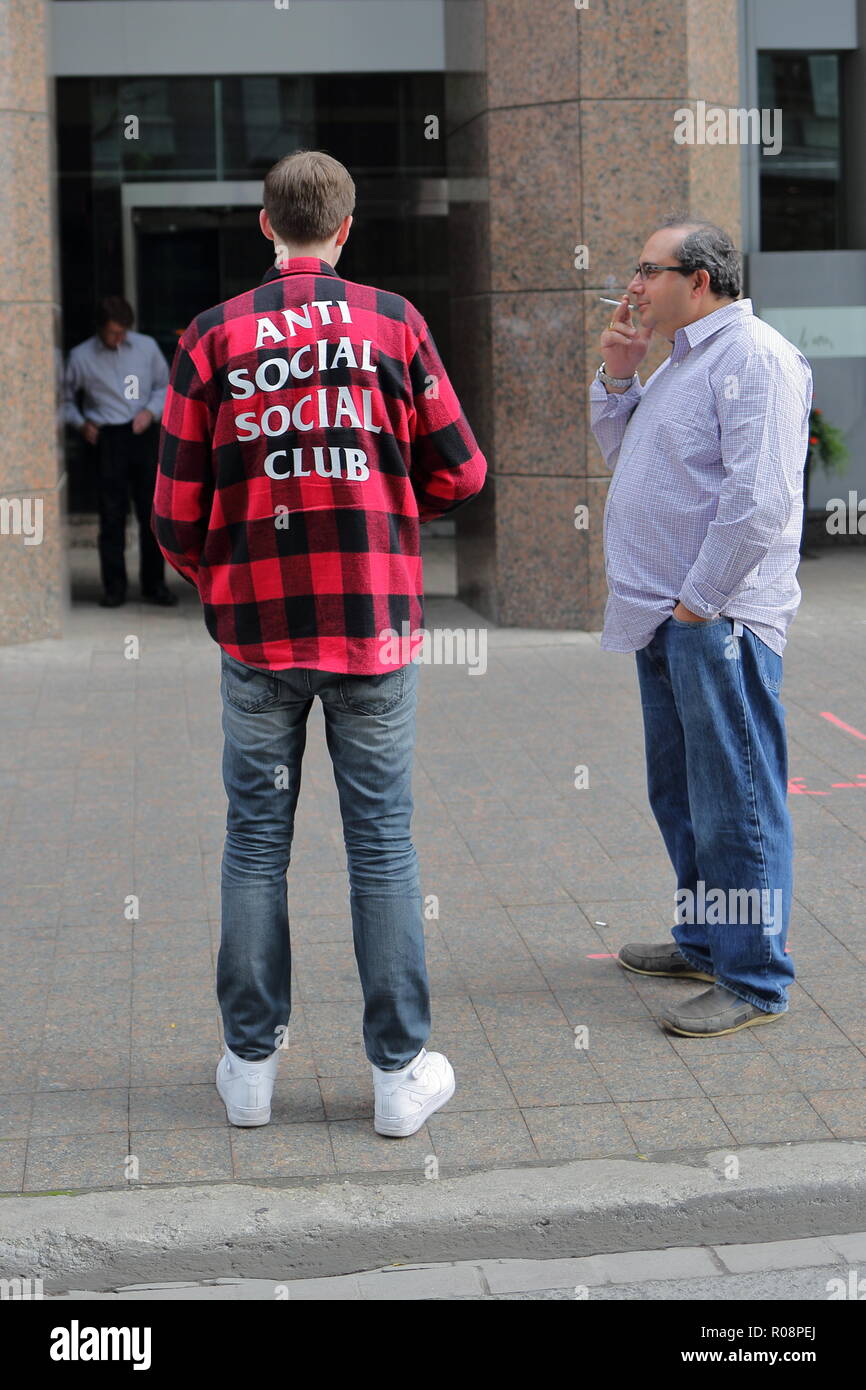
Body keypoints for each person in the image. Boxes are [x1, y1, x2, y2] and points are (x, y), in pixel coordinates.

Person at [152, 150, 487, 1135]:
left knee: (254, 840)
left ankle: (249, 1070)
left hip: (257, 630)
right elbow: (461, 472)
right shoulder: (393, 322)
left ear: (266, 226)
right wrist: (383, 505)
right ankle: (395, 1078)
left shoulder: (212, 337)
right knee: (381, 842)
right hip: (372, 627)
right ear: (345, 230)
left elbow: (175, 512)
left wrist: (223, 576)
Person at [591, 215, 812, 1038]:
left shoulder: (755, 359)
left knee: (736, 801)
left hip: (715, 621)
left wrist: (697, 607)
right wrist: (619, 375)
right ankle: (707, 942)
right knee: (683, 795)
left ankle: (754, 978)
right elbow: (628, 458)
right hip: (665, 619)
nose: (633, 285)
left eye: (649, 269)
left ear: (703, 280)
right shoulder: (686, 361)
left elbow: (759, 505)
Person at [64, 296, 174, 607]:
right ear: (100, 329)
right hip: (105, 438)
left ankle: (155, 586)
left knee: (150, 515)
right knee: (111, 518)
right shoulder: (81, 356)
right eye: (113, 332)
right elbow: (66, 399)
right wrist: (80, 423)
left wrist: (150, 413)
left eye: (123, 331)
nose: (119, 338)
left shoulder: (146, 347)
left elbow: (164, 387)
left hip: (142, 433)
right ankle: (114, 588)